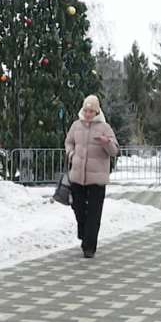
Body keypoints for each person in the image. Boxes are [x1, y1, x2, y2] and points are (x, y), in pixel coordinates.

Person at [64, 94, 120, 259]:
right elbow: (68, 142)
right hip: (77, 176)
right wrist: (71, 153)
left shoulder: (105, 127)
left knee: (94, 213)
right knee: (79, 208)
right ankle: (84, 232)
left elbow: (115, 151)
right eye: (86, 110)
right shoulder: (76, 125)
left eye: (91, 111)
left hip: (97, 178)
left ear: (97, 112)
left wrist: (106, 142)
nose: (88, 114)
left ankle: (89, 247)